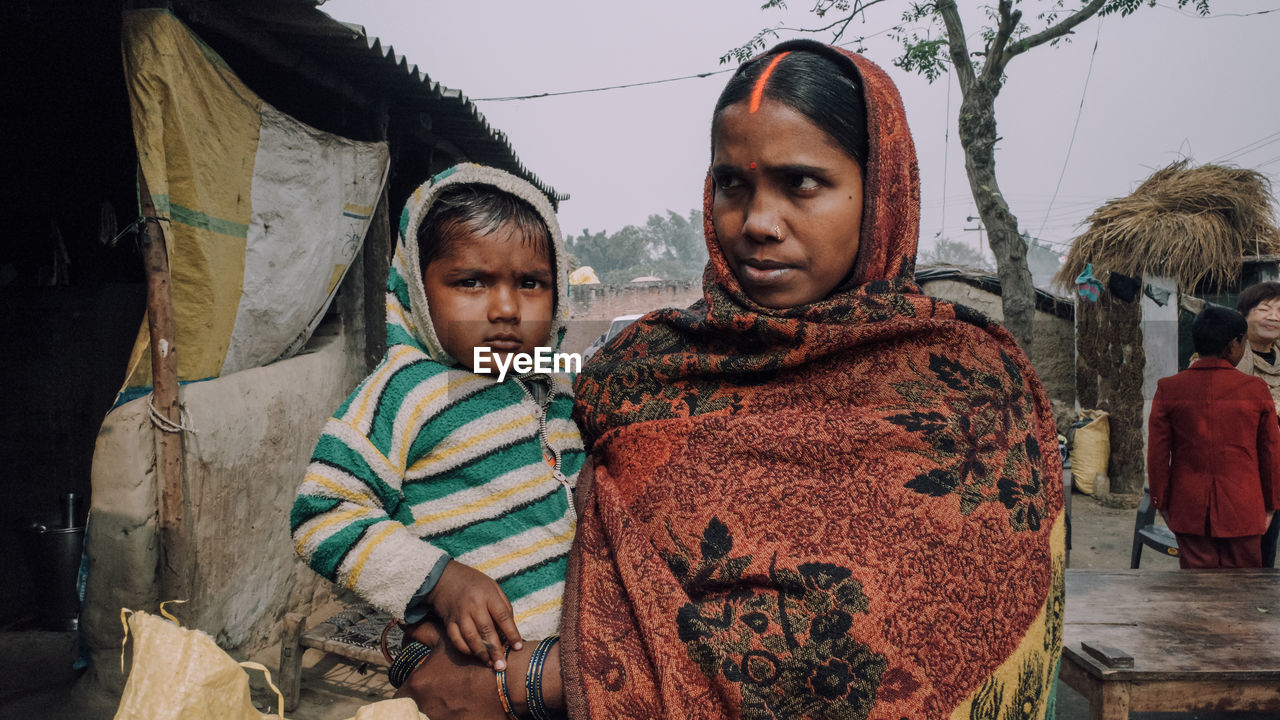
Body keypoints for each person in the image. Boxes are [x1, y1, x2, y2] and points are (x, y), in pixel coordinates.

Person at [398, 41, 1064, 719]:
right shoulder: (640, 369)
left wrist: (536, 679)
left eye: (802, 183)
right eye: (733, 185)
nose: (757, 223)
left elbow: (877, 657)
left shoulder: (966, 390)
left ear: (879, 191)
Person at [291, 163, 586, 677]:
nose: (506, 308)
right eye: (471, 281)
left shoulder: (554, 382)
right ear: (419, 291)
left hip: (576, 669)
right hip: (481, 674)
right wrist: (442, 581)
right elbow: (322, 514)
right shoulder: (405, 390)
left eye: (531, 283)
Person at [1147, 305, 1280, 569]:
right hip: (1245, 507)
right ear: (1233, 345)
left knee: (1197, 594)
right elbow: (1270, 453)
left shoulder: (1168, 388)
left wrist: (1161, 503)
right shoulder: (1256, 389)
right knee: (1243, 592)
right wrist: (1271, 506)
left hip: (1189, 507)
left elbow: (1158, 455)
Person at [1235, 281, 1280, 566]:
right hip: (1243, 470)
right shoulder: (1227, 357)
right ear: (1243, 316)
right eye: (1265, 309)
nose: (1274, 316)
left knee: (1267, 548)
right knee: (1244, 549)